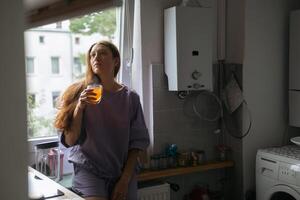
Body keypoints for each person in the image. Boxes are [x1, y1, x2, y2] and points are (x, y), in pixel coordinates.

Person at [54, 40, 150, 200]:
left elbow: (137, 144)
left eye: (102, 53)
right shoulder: (79, 93)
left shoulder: (130, 98)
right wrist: (80, 107)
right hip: (90, 170)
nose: (96, 57)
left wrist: (125, 180)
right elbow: (70, 141)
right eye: (92, 55)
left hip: (123, 171)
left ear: (116, 60)